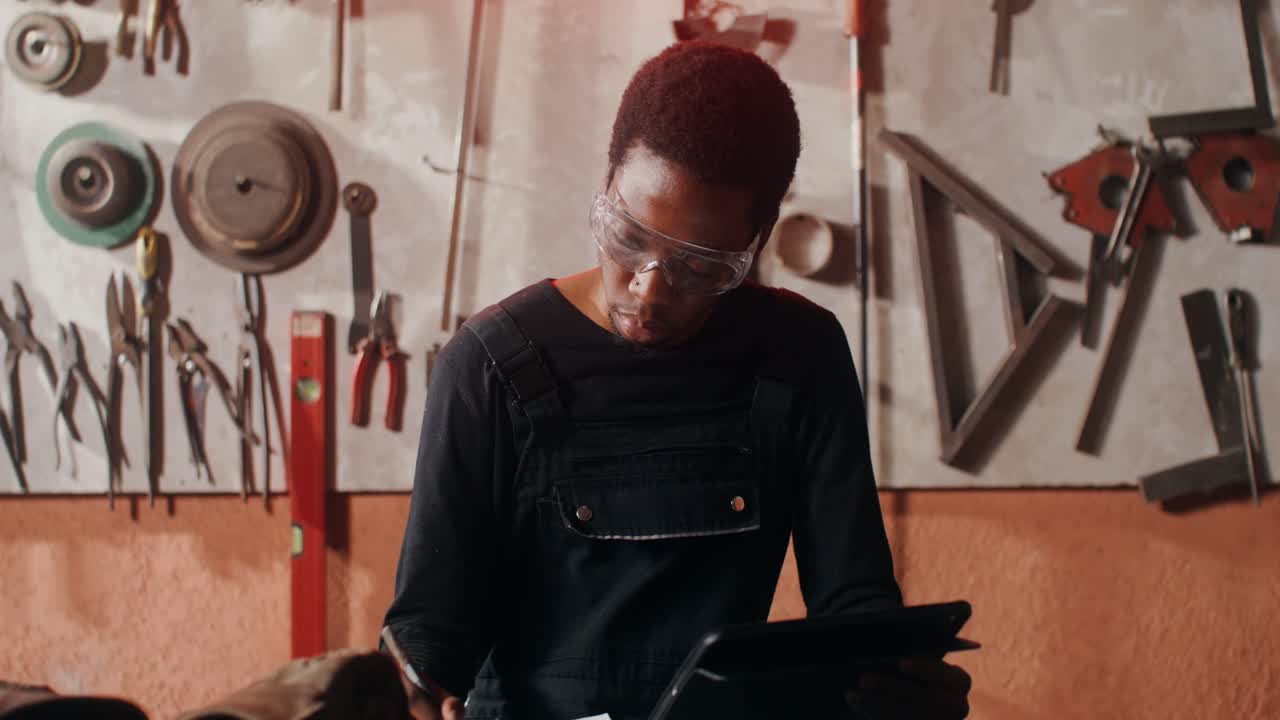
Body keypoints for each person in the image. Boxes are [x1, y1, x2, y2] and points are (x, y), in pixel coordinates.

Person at [383, 40, 972, 720]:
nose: (649, 290)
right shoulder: (488, 366)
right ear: (606, 182)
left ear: (757, 241)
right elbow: (428, 634)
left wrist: (898, 685)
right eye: (628, 237)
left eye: (699, 267)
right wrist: (415, 696)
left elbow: (854, 604)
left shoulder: (798, 355)